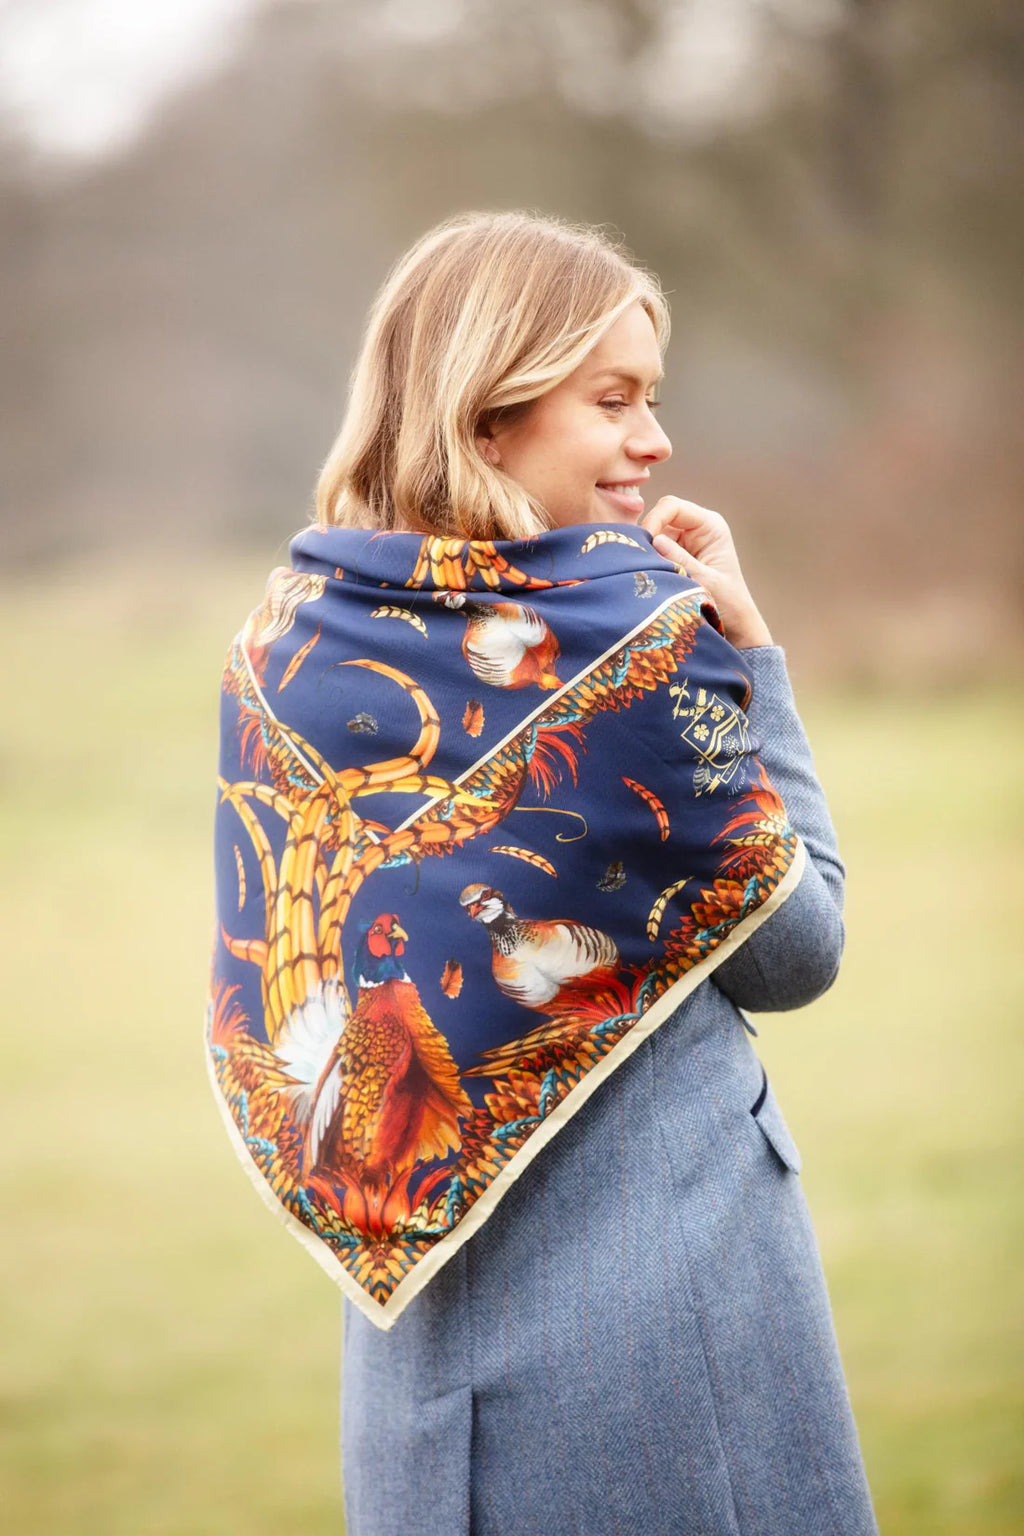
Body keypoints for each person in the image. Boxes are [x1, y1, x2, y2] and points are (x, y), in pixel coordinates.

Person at [215, 210, 879, 1534]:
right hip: (662, 1331)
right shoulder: (636, 641)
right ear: (488, 416)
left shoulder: (279, 652)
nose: (656, 440)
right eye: (614, 400)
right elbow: (797, 950)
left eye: (655, 399)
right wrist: (755, 663)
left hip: (415, 1346)